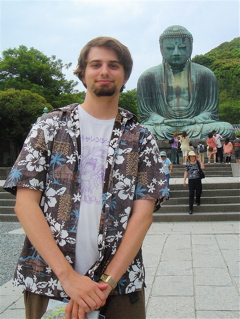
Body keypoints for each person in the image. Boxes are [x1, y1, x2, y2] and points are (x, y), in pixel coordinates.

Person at [3, 37, 168, 319]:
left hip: (119, 284)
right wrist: (68, 278)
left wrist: (106, 283)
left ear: (125, 74)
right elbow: (25, 204)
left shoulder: (140, 136)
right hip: (49, 279)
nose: (104, 71)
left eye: (113, 65)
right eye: (96, 64)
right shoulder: (50, 125)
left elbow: (143, 215)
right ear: (82, 72)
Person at [137, 25, 235, 140]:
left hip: (195, 125)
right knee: (138, 131)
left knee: (226, 129)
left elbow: (210, 112)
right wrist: (164, 121)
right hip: (164, 127)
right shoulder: (148, 77)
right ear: (161, 48)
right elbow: (147, 114)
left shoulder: (205, 74)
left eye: (183, 47)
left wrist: (194, 120)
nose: (176, 52)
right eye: (169, 48)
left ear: (191, 47)